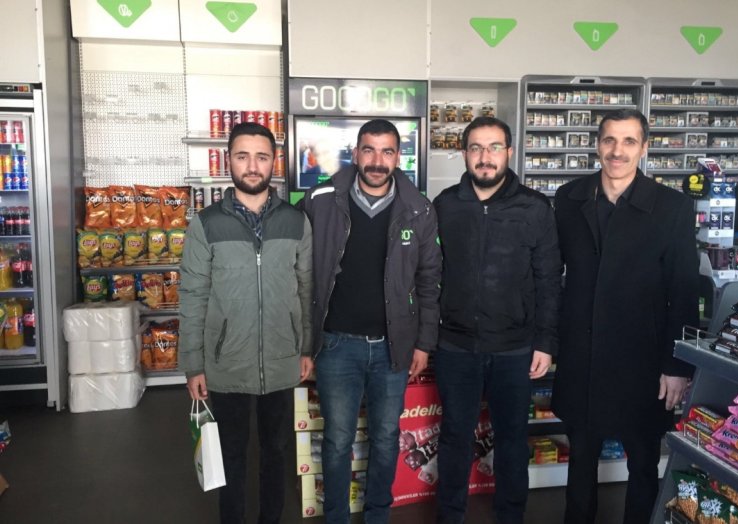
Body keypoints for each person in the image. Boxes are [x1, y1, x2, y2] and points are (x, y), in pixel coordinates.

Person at [552, 108, 698, 524]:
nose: (618, 151)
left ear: (644, 147)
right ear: (597, 145)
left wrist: (677, 366)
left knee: (643, 462)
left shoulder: (672, 207)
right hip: (583, 353)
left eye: (629, 141)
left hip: (643, 359)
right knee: (580, 459)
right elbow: (551, 272)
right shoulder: (569, 198)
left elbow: (683, 290)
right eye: (610, 140)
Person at [299, 118, 442, 524]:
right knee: (337, 439)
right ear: (355, 153)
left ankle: (378, 515)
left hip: (392, 347)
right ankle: (336, 517)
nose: (377, 161)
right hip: (335, 345)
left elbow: (430, 279)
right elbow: (298, 272)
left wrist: (424, 343)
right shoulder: (320, 200)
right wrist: (304, 343)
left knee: (385, 437)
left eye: (387, 151)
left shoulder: (419, 209)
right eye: (369, 150)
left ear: (398, 157)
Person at [179, 121, 314, 524]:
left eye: (261, 157)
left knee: (276, 451)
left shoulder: (296, 221)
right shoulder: (206, 224)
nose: (252, 166)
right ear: (229, 161)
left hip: (282, 357)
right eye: (243, 156)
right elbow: (193, 296)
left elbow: (306, 290)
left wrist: (306, 348)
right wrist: (194, 364)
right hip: (227, 362)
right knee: (231, 454)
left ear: (275, 162)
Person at [432, 116, 562, 524]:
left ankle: (510, 516)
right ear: (464, 153)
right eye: (476, 148)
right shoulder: (445, 205)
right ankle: (449, 516)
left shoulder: (535, 207)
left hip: (515, 348)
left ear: (509, 152)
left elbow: (548, 279)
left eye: (493, 148)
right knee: (454, 436)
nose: (484, 157)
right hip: (455, 346)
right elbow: (429, 274)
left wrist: (545, 342)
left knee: (511, 439)